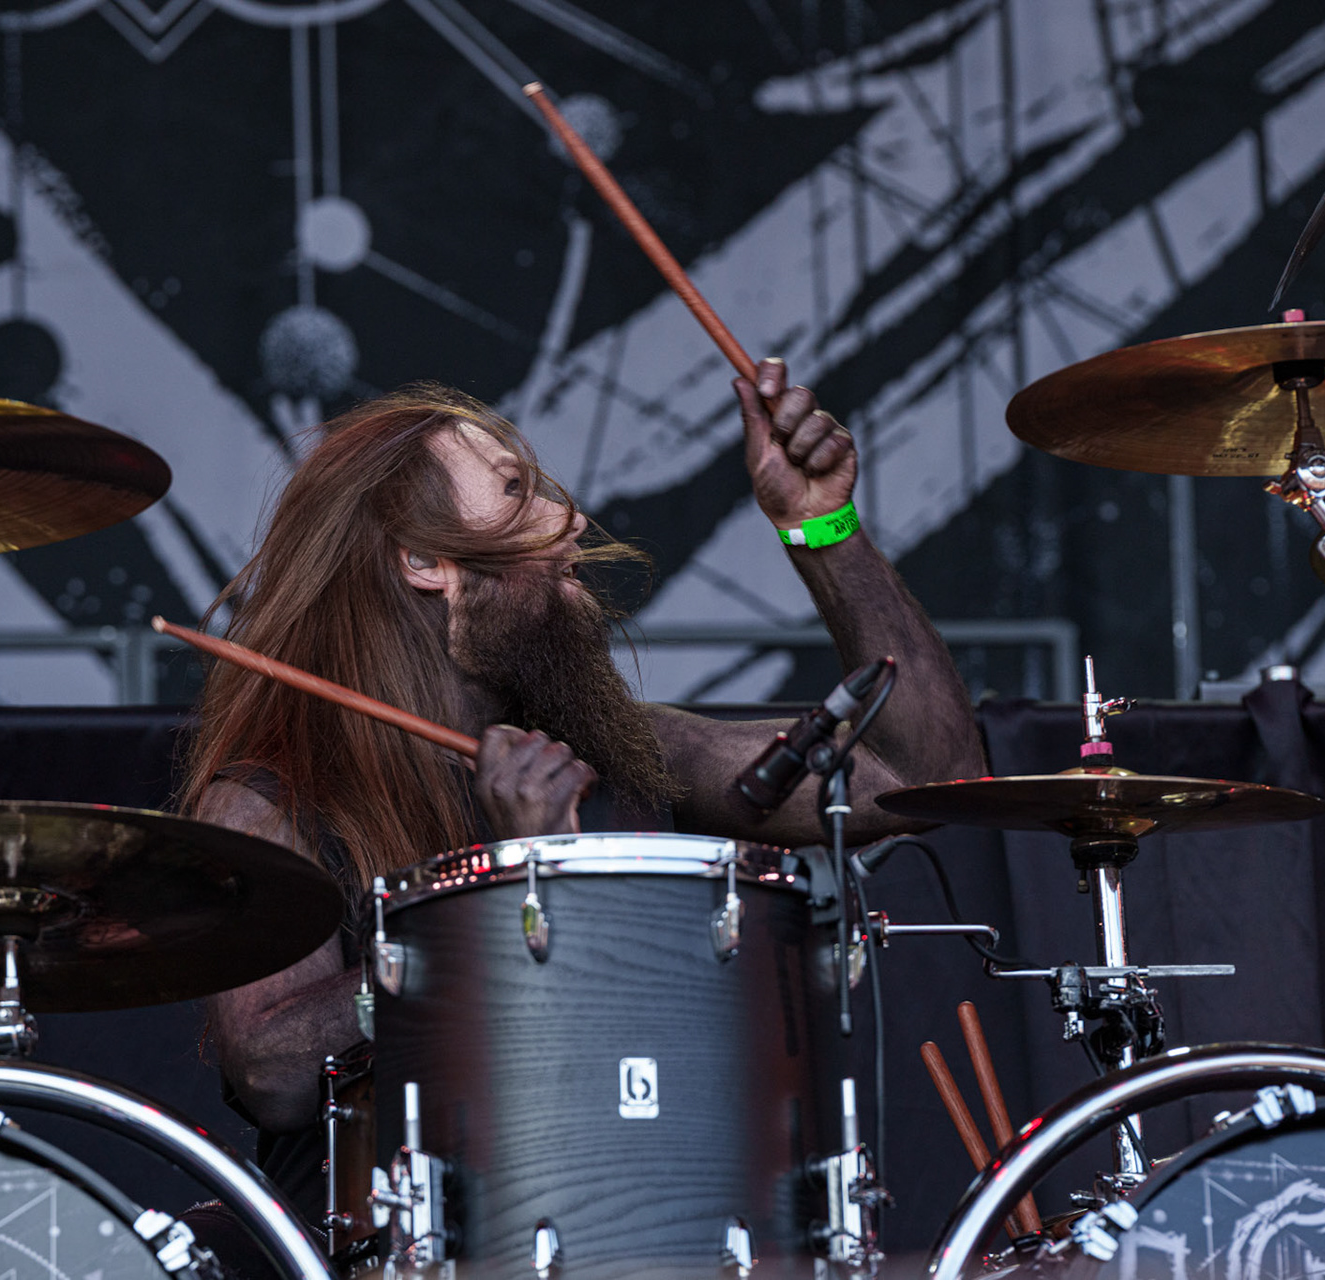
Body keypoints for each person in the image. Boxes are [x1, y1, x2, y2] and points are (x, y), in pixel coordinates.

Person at [175, 359, 984, 1237]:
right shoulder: (271, 798)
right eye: (517, 492)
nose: (570, 522)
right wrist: (512, 889)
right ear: (422, 561)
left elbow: (921, 785)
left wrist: (820, 525)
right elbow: (270, 1072)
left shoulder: (626, 753)